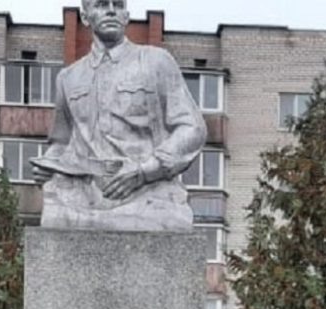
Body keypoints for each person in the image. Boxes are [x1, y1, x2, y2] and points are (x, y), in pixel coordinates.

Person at [30, 0, 206, 231]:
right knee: (55, 224)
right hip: (83, 199)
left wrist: (145, 171)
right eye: (102, 5)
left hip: (147, 195)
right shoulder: (68, 78)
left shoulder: (156, 62)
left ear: (126, 16)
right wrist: (48, 165)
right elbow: (62, 142)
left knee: (165, 226)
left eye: (118, 5)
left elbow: (192, 128)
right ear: (86, 16)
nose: (111, 10)